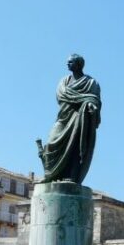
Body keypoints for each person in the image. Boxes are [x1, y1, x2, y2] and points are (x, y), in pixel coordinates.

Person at [37, 54, 101, 184]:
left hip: (79, 117)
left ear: (78, 64)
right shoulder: (63, 82)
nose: (67, 64)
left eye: (70, 62)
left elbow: (94, 99)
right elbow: (60, 97)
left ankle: (71, 176)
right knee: (50, 143)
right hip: (63, 117)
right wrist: (84, 99)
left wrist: (90, 104)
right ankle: (50, 175)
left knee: (75, 147)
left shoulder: (90, 82)